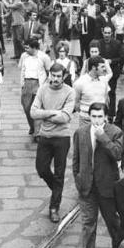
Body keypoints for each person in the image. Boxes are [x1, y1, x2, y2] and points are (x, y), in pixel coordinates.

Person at [72, 102, 123, 248]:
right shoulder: (81, 132)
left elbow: (117, 154)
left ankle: (118, 244)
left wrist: (103, 138)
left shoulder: (114, 132)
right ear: (89, 116)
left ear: (106, 117)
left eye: (100, 116)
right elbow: (76, 160)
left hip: (107, 186)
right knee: (88, 224)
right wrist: (78, 179)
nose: (96, 120)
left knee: (112, 221)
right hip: (87, 186)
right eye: (93, 116)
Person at [30, 63, 76, 223]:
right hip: (45, 135)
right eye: (53, 75)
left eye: (58, 76)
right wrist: (52, 112)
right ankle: (58, 189)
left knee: (59, 172)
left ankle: (54, 207)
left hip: (62, 137)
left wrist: (44, 115)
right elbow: (33, 112)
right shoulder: (43, 89)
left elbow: (64, 117)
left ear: (64, 76)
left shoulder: (70, 92)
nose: (55, 79)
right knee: (41, 169)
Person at [19, 38, 52, 137]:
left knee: (37, 108)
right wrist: (22, 84)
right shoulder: (24, 56)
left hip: (39, 83)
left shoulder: (44, 57)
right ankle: (32, 126)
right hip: (27, 83)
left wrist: (46, 85)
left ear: (34, 48)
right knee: (27, 108)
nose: (26, 50)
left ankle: (37, 132)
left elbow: (49, 71)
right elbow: (21, 69)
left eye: (27, 48)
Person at [73, 56, 111, 126]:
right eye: (102, 67)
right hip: (85, 120)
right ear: (94, 67)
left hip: (102, 120)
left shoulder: (104, 80)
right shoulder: (80, 83)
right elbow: (76, 103)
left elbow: (106, 100)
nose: (104, 69)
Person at [98, 26, 123, 119]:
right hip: (101, 72)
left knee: (111, 92)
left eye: (109, 33)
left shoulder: (117, 43)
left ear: (111, 33)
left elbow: (121, 57)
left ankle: (111, 114)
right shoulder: (99, 43)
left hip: (113, 71)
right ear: (102, 33)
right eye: (105, 33)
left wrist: (111, 61)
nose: (107, 35)